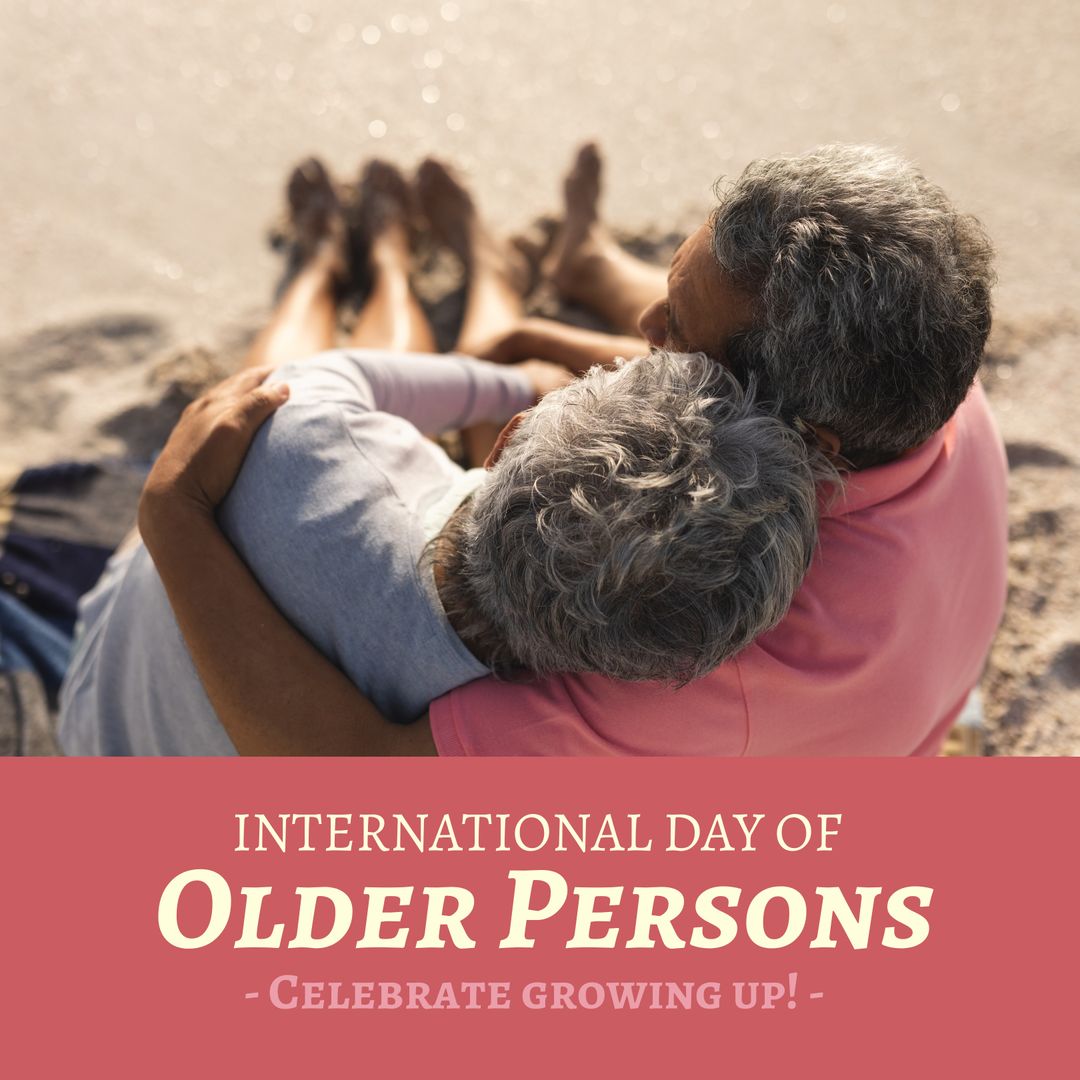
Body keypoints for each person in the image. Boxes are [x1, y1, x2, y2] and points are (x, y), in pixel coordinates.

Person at [125, 142, 1007, 758]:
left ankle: (371, 264)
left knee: (419, 396)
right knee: (525, 357)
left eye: (675, 336)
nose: (638, 334)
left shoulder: (705, 652)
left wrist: (172, 520)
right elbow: (741, 380)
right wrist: (550, 346)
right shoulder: (926, 376)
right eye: (669, 285)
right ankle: (560, 264)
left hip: (780, 771)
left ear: (805, 439)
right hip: (905, 716)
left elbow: (352, 771)